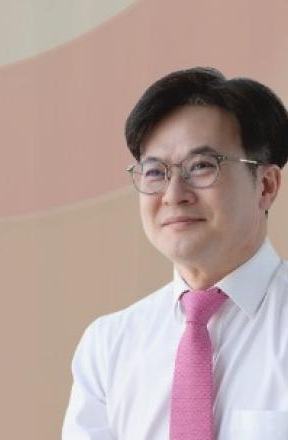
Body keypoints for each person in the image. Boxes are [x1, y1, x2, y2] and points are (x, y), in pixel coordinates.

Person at [62, 67, 288, 439]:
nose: (173, 194)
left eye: (201, 167)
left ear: (265, 185)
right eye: (155, 172)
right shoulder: (109, 345)